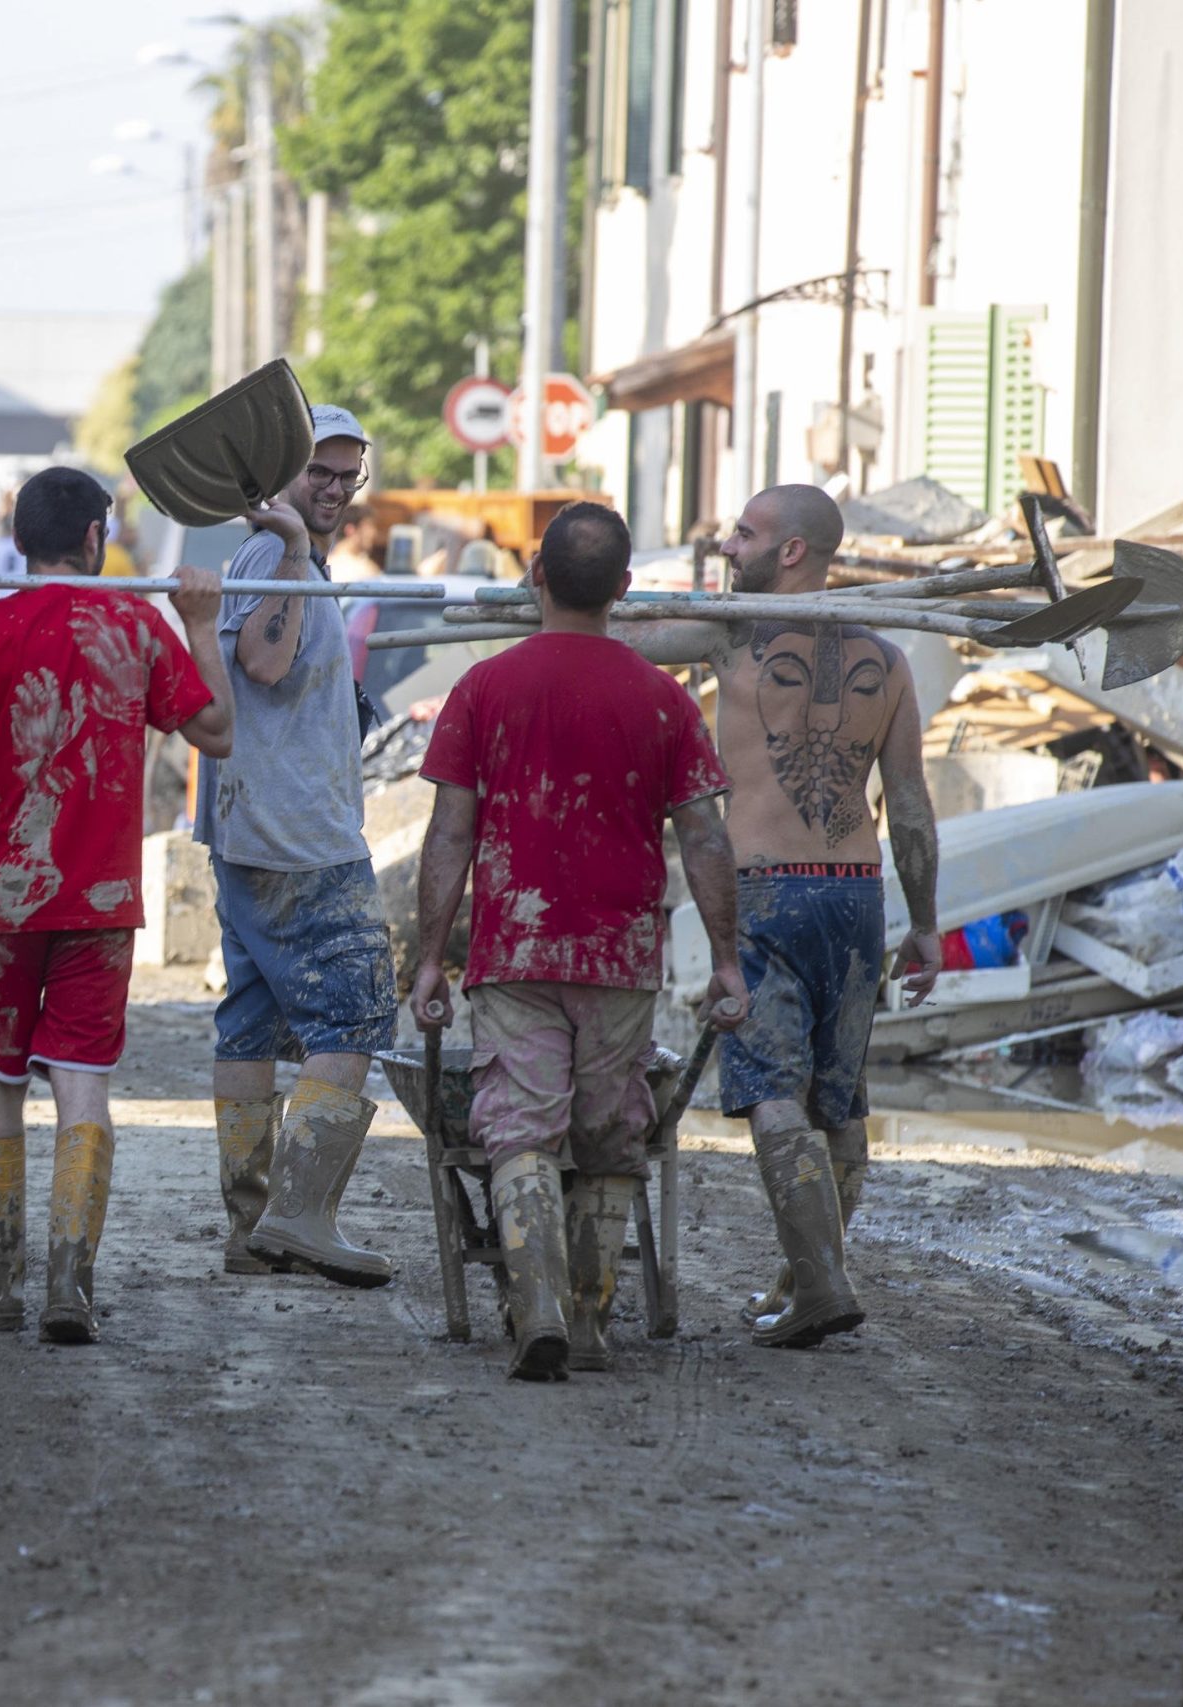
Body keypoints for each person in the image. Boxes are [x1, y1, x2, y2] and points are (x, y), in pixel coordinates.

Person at [0, 466, 235, 1344]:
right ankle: (69, 1284)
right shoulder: (138, 623)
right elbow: (218, 730)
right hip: (102, 901)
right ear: (94, 537)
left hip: (1, 901)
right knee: (84, 1086)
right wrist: (200, 623)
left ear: (20, 538)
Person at [408, 503, 748, 1379]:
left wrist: (426, 958)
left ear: (536, 577)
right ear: (626, 591)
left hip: (513, 948)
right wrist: (727, 960)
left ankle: (539, 1310)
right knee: (607, 1134)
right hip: (618, 954)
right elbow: (705, 837)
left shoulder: (484, 687)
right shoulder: (664, 697)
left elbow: (449, 833)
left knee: (518, 1129)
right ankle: (590, 1326)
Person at [621, 483, 942, 1350]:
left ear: (792, 551)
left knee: (770, 1090)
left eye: (744, 534)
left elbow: (617, 637)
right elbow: (908, 803)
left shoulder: (733, 635)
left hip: (764, 887)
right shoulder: (887, 654)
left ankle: (823, 1283)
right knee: (838, 1101)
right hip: (852, 892)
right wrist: (923, 922)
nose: (728, 546)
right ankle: (806, 1276)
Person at [194, 403, 400, 1288]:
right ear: (282, 471)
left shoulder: (298, 558)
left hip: (253, 830)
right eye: (319, 469)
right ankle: (300, 1215)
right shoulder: (269, 556)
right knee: (354, 1010)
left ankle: (251, 1228)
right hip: (295, 839)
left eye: (347, 474)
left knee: (249, 1022)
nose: (332, 488)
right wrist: (283, 551)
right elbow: (265, 666)